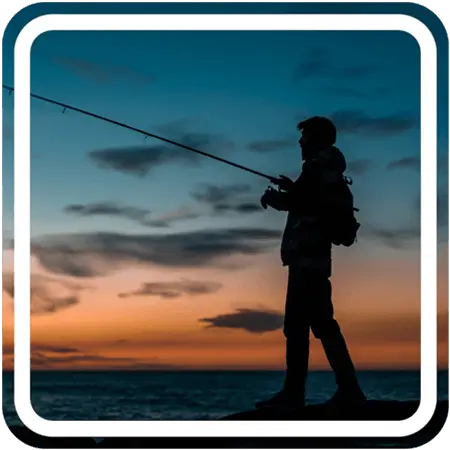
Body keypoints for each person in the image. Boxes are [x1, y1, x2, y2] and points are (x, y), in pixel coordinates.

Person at [256, 116, 366, 411]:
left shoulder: (318, 167)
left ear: (316, 138)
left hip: (308, 259)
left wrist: (276, 198)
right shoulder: (325, 168)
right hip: (313, 259)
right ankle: (342, 390)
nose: (300, 142)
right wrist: (292, 188)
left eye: (304, 136)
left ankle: (301, 396)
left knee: (305, 326)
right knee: (315, 325)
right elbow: (311, 198)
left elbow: (306, 204)